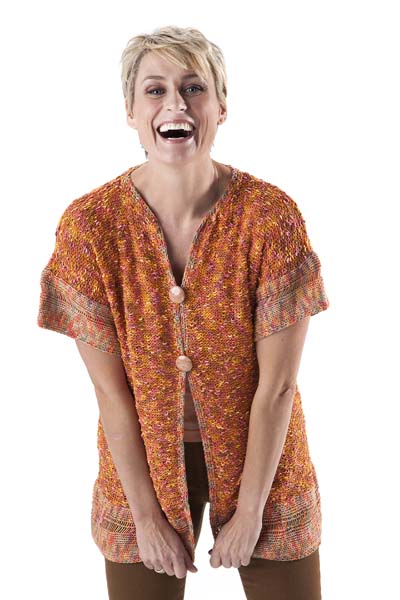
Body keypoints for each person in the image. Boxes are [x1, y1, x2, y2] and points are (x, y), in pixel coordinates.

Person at [37, 25, 329, 600]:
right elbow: (111, 393)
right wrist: (146, 519)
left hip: (266, 461)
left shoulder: (269, 217)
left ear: (221, 106)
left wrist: (251, 512)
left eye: (194, 88)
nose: (176, 104)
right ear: (130, 111)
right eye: (155, 90)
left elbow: (277, 386)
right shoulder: (90, 227)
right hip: (139, 470)